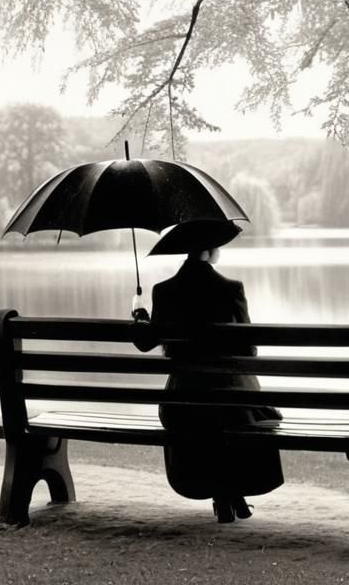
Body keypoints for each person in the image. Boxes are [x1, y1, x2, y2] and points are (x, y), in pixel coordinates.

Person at [133, 219, 284, 523]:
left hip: (182, 404)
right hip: (233, 402)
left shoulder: (164, 291)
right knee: (241, 409)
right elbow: (249, 350)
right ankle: (231, 494)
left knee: (206, 414)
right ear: (211, 249)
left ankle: (225, 496)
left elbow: (146, 343)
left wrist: (139, 315)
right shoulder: (231, 289)